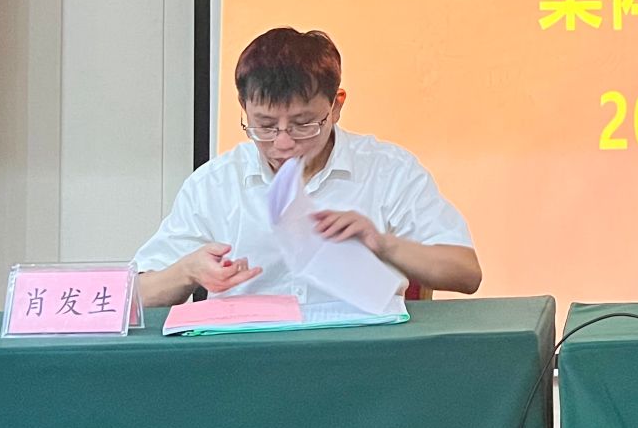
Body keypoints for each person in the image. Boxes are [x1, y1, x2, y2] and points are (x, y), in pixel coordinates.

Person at [135, 27, 481, 308]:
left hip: (361, 354)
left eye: (303, 124)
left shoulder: (388, 170)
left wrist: (384, 244)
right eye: (265, 126)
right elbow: (136, 294)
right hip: (249, 359)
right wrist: (187, 271)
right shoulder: (215, 183)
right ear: (243, 106)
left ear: (336, 106)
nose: (283, 143)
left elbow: (466, 273)